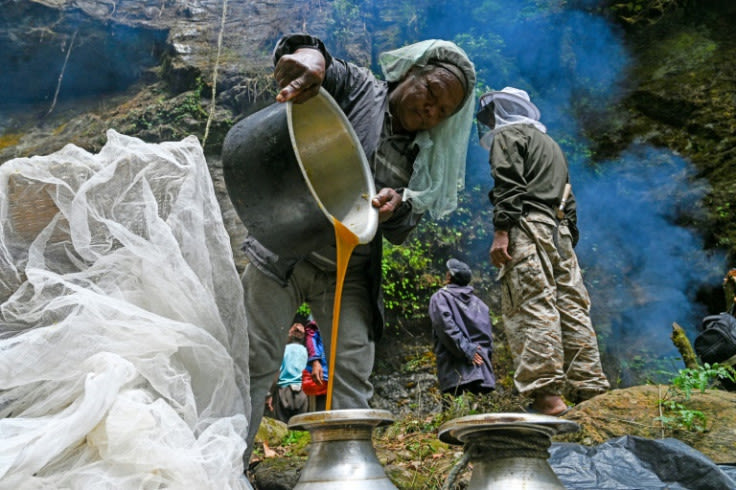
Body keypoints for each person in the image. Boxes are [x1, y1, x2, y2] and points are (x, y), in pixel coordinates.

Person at [241, 34, 476, 461]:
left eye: (443, 112)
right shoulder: (361, 89)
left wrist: (400, 204)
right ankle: (226, 471)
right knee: (254, 365)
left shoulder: (424, 155)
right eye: (432, 93)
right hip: (284, 250)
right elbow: (317, 62)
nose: (431, 111)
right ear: (410, 73)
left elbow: (404, 228)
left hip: (349, 271)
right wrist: (308, 58)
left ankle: (344, 475)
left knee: (351, 373)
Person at [477, 86, 609, 416]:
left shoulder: (507, 136)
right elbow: (570, 197)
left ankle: (548, 398)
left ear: (502, 110)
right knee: (572, 305)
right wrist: (567, 238)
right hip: (560, 230)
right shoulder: (551, 145)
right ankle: (590, 390)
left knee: (532, 304)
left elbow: (508, 183)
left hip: (527, 226)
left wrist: (502, 231)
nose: (490, 120)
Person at [428, 258, 495, 399]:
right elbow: (487, 338)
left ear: (449, 276)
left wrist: (467, 350)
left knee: (455, 416)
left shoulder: (440, 298)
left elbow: (446, 327)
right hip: (482, 371)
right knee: (479, 416)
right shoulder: (480, 304)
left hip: (456, 372)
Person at [266, 320, 309, 423]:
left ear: (290, 335)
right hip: (303, 392)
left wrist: (269, 394)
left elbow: (277, 373)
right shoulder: (307, 352)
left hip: (284, 392)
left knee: (283, 426)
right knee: (300, 427)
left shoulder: (284, 350)